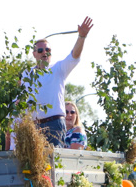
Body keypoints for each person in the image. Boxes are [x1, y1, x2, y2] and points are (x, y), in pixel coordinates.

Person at [22, 16, 94, 146]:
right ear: (34, 54)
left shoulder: (58, 69)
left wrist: (82, 37)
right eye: (40, 50)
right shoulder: (26, 74)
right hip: (33, 127)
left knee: (53, 163)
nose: (45, 52)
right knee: (31, 165)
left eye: (48, 50)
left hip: (54, 125)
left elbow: (74, 56)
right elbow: (18, 99)